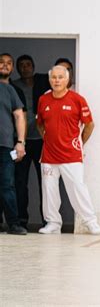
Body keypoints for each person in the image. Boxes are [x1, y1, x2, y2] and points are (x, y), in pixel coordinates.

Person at [36, 65, 100, 234]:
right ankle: (53, 223)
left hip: (71, 155)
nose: (56, 80)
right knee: (49, 191)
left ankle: (91, 222)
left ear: (67, 80)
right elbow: (40, 124)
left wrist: (79, 143)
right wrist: (48, 140)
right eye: (54, 78)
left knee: (78, 189)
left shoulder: (77, 99)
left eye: (60, 77)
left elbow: (89, 125)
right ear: (50, 80)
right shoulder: (43, 100)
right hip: (49, 156)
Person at [13, 54, 51, 228]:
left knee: (45, 182)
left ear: (33, 67)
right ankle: (22, 219)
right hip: (20, 142)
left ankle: (47, 220)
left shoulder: (43, 82)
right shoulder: (13, 86)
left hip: (41, 141)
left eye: (28, 64)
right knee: (20, 182)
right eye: (21, 65)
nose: (25, 68)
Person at [0, 53, 27, 231]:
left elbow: (19, 116)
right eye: (1, 62)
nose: (4, 66)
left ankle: (14, 224)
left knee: (7, 185)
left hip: (5, 145)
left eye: (9, 63)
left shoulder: (10, 90)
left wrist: (20, 142)